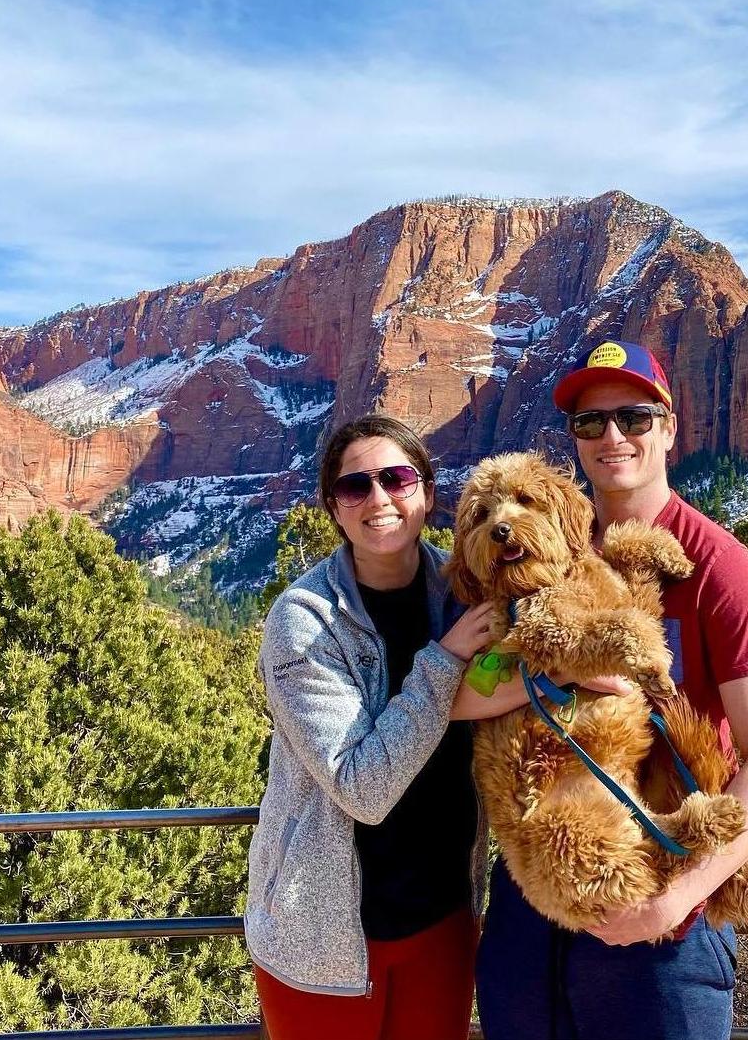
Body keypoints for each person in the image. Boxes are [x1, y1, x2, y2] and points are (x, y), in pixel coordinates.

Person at [475, 340, 748, 1040]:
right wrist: (558, 669)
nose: (612, 438)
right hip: (531, 900)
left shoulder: (717, 565)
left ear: (668, 426)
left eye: (632, 417)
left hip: (660, 910)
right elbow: (469, 686)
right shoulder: (541, 553)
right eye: (589, 423)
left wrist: (671, 904)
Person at [244, 414, 496, 1040]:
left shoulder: (462, 591)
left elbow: (508, 692)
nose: (379, 499)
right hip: (322, 944)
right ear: (334, 507)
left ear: (428, 492)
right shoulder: (303, 620)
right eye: (355, 487)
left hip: (442, 921)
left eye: (397, 478)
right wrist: (447, 660)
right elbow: (362, 788)